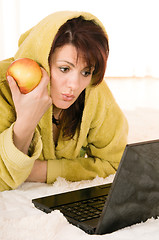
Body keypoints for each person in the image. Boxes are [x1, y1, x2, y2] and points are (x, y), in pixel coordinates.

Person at [0, 11, 128, 191]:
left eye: (86, 71)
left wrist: (41, 171)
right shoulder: (3, 87)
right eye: (64, 69)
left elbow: (117, 163)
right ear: (41, 61)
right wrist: (26, 123)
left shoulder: (93, 90)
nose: (75, 85)